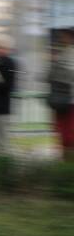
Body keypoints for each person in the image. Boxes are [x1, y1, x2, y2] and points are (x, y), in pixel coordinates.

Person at [47, 30, 74, 162]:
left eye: (64, 35)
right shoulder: (62, 53)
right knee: (64, 134)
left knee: (68, 135)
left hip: (69, 100)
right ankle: (66, 163)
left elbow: (68, 76)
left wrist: (56, 68)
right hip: (63, 100)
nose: (61, 38)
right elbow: (49, 76)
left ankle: (68, 164)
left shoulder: (70, 53)